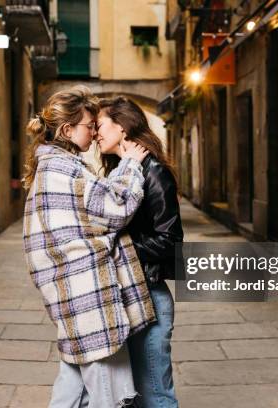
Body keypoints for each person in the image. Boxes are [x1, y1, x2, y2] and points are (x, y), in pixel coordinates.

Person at [22, 86, 156, 407]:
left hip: (73, 297)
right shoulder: (65, 170)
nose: (94, 131)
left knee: (71, 392)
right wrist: (130, 167)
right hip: (90, 300)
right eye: (89, 125)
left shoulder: (54, 167)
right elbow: (115, 208)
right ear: (68, 130)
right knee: (111, 397)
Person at [96, 96, 184, 408]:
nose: (96, 133)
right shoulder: (122, 171)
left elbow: (170, 240)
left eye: (100, 125)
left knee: (156, 396)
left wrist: (119, 246)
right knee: (132, 397)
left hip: (148, 295)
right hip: (127, 295)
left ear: (122, 127)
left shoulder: (153, 172)